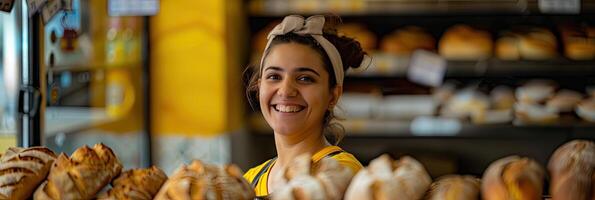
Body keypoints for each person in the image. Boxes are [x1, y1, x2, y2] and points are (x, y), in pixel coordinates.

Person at [243, 14, 368, 197]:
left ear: (333, 95)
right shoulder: (249, 180)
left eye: (304, 78)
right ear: (259, 86)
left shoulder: (342, 175)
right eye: (274, 77)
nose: (285, 91)